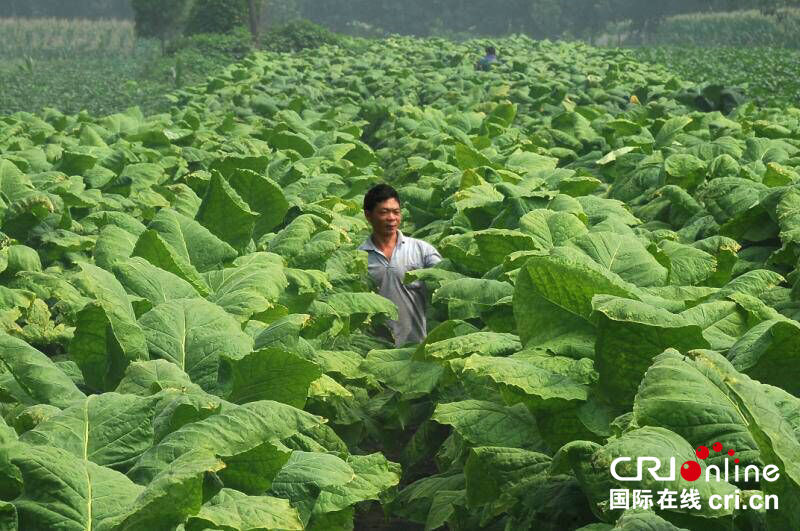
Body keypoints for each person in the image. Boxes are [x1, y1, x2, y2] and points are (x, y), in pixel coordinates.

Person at [359, 184, 442, 346]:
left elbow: (446, 278)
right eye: (384, 212)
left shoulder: (422, 250)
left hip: (416, 347)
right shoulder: (359, 257)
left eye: (396, 212)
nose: (391, 218)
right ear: (368, 216)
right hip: (373, 350)